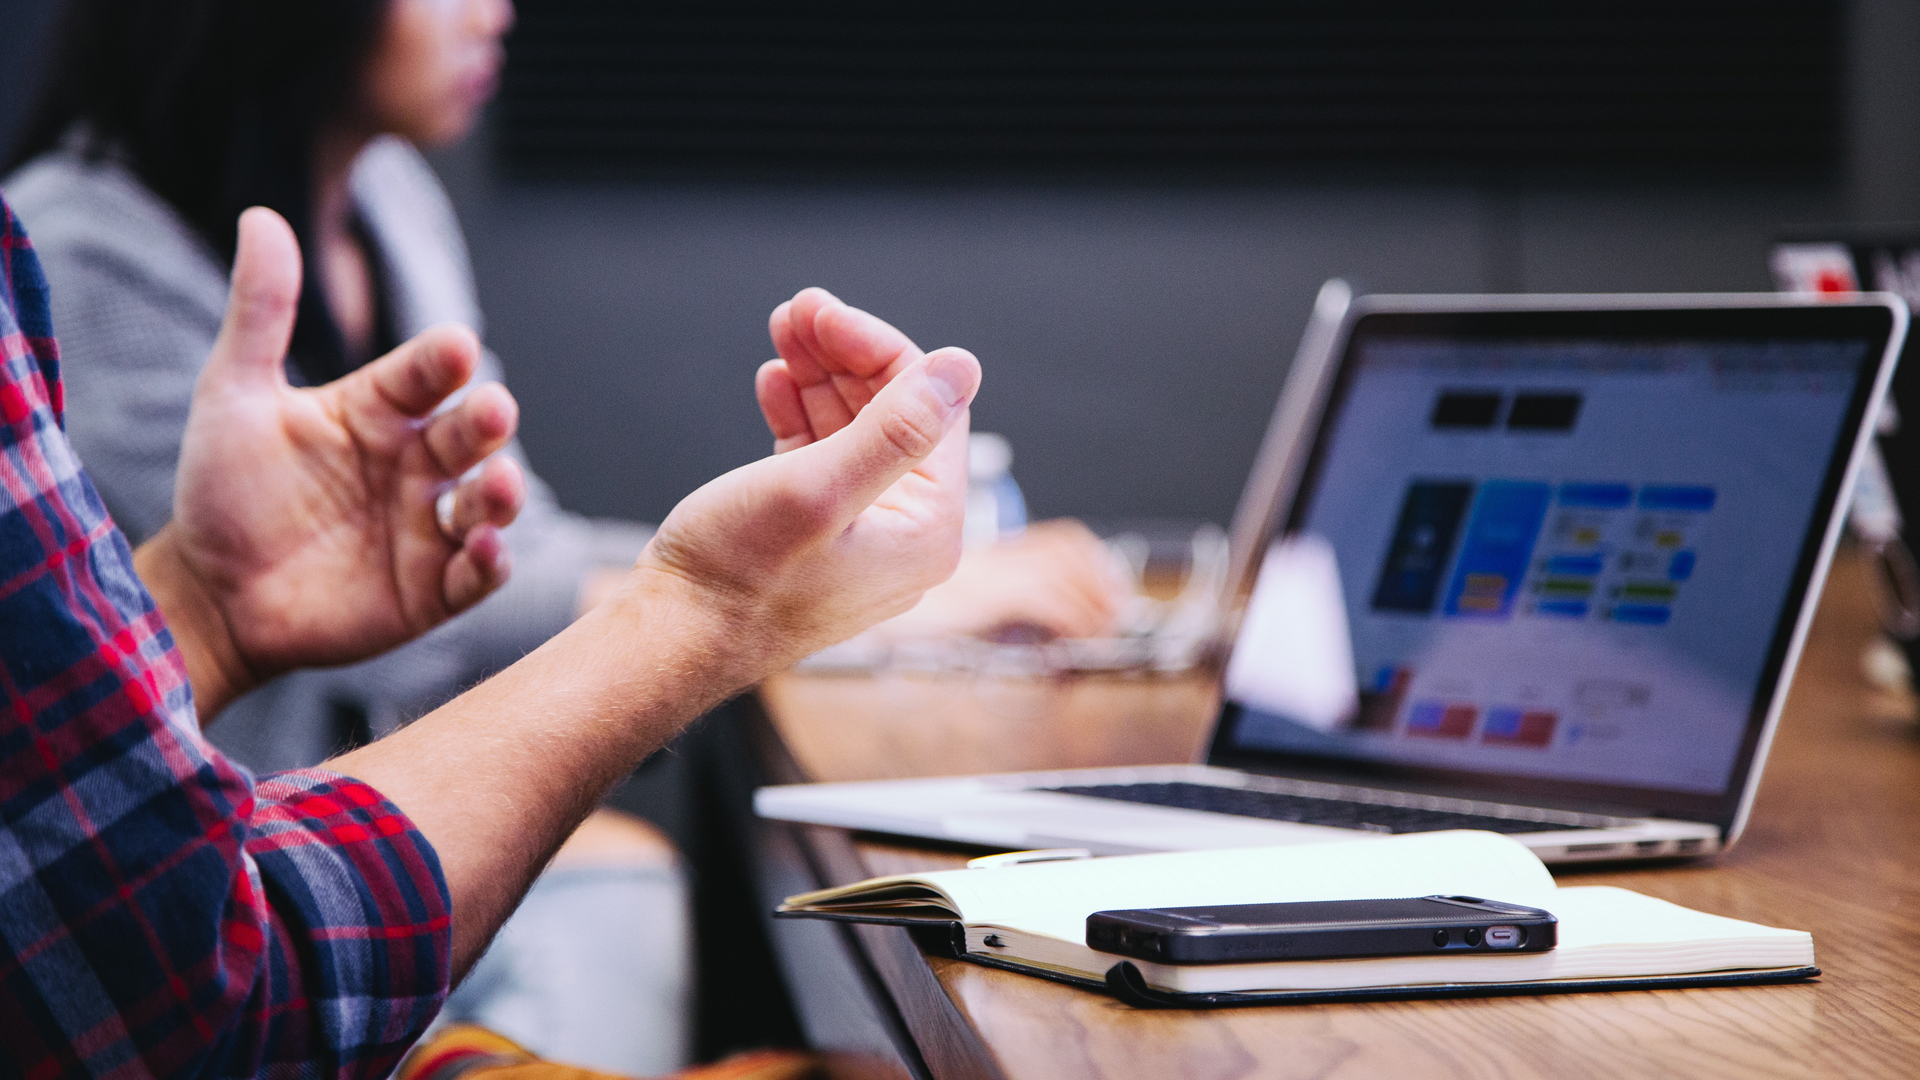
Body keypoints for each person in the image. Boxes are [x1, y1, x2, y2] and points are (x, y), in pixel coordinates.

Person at [3, 0, 1122, 1069]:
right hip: (256, 911)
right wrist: (741, 602)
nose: (496, 14)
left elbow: (494, 555)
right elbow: (208, 996)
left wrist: (206, 603)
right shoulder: (75, 251)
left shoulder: (387, 198)